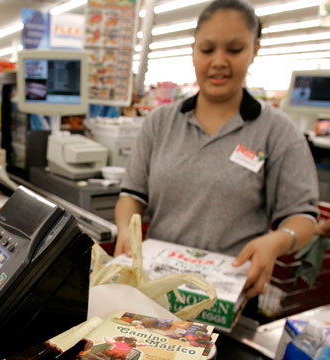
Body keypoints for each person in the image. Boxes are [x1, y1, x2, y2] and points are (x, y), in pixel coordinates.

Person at [114, 0, 319, 299]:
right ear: (194, 50)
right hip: (157, 290)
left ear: (254, 50)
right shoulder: (160, 122)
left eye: (234, 50)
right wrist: (125, 230)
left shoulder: (278, 131)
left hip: (228, 294)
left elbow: (302, 217)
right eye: (207, 50)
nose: (219, 61)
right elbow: (132, 196)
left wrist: (277, 241)